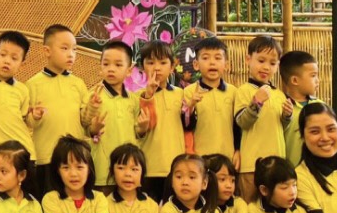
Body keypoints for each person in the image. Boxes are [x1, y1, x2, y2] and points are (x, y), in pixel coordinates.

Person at [27, 24, 88, 194]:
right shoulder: (33, 84)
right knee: (49, 202)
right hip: (46, 158)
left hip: (76, 159)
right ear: (47, 51)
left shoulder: (78, 84)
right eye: (64, 48)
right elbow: (28, 123)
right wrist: (35, 117)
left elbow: (85, 120)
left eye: (74, 49)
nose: (71, 54)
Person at [82, 41, 146, 189]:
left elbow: (137, 133)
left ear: (129, 70)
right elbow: (84, 123)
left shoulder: (133, 99)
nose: (111, 69)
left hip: (128, 170)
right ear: (100, 67)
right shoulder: (94, 95)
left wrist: (142, 128)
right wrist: (94, 127)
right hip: (102, 170)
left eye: (118, 65)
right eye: (106, 64)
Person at [234, 34, 289, 202]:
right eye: (261, 60)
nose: (266, 67)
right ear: (248, 59)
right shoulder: (243, 91)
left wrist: (287, 116)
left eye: (272, 63)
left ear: (277, 66)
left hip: (277, 163)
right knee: (249, 205)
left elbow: (281, 127)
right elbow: (242, 122)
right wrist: (256, 103)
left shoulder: (279, 94)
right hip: (251, 165)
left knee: (273, 206)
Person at [136, 41, 185, 202]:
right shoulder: (137, 96)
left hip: (176, 168)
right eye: (150, 63)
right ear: (142, 67)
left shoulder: (181, 94)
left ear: (172, 67)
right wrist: (149, 94)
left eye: (163, 63)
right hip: (148, 167)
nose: (157, 68)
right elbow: (139, 130)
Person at [0, 31, 38, 169]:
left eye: (14, 58)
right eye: (3, 55)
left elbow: (26, 122)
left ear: (22, 64)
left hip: (23, 154)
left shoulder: (22, 89)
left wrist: (34, 116)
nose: (7, 61)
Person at [182, 37, 236, 163]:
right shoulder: (189, 92)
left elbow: (238, 127)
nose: (212, 63)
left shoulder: (233, 92)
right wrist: (191, 105)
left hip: (228, 159)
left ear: (226, 65)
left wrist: (238, 150)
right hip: (200, 159)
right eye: (206, 58)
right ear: (196, 64)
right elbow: (186, 126)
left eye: (217, 58)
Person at [279, 51, 320, 166]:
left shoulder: (321, 107)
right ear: (295, 80)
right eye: (313, 75)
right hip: (290, 172)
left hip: (317, 171)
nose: (317, 80)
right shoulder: (280, 107)